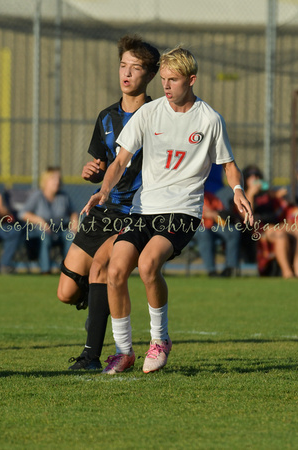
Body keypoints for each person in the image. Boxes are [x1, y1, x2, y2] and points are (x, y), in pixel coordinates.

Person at [82, 46, 254, 375]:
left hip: (182, 211)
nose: (166, 86)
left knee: (148, 265)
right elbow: (120, 160)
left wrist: (238, 191)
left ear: (192, 80)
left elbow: (229, 164)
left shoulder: (209, 119)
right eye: (162, 79)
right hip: (144, 208)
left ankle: (160, 341)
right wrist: (103, 189)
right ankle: (123, 351)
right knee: (115, 271)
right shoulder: (149, 113)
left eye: (173, 79)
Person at [56, 35, 160, 370]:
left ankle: (90, 355)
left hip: (136, 212)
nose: (127, 73)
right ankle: (96, 297)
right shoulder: (106, 117)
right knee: (66, 293)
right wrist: (91, 172)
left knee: (103, 265)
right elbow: (103, 165)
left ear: (151, 74)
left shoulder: (158, 117)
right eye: (123, 65)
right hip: (104, 211)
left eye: (136, 67)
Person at [243, 164, 298, 278]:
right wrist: (251, 193)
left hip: (277, 225)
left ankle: (297, 267)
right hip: (261, 228)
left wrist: (279, 195)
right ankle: (287, 272)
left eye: (257, 176)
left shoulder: (268, 194)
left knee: (297, 230)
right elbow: (248, 216)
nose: (255, 179)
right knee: (280, 235)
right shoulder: (244, 196)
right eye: (251, 176)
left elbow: (286, 207)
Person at [19, 167, 79, 274]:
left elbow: (73, 212)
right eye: (53, 179)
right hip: (38, 231)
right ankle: (45, 270)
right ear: (45, 181)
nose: (57, 182)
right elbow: (23, 213)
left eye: (58, 179)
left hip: (59, 230)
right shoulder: (37, 195)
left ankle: (69, 270)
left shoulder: (63, 197)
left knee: (71, 236)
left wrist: (74, 224)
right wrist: (40, 221)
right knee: (44, 236)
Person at [195, 190, 241, 277]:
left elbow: (221, 211)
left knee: (233, 231)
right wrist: (206, 214)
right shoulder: (190, 196)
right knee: (204, 233)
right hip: (196, 227)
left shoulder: (209, 196)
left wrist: (213, 214)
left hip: (214, 225)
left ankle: (230, 267)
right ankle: (211, 271)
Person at [0, 190, 23, 273]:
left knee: (13, 232)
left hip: (2, 226)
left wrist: (5, 211)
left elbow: (3, 211)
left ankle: (5, 265)